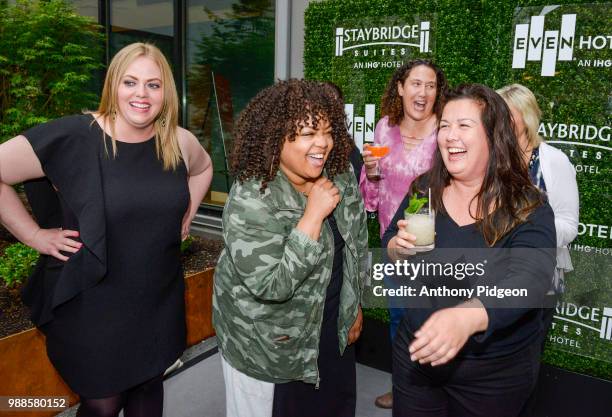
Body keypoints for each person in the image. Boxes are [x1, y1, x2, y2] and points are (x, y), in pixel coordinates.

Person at [0, 42, 213, 417]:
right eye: (130, 82)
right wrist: (34, 235)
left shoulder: (178, 142)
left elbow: (203, 168)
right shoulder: (74, 137)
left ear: (167, 92)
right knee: (103, 402)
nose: (141, 94)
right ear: (113, 84)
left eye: (153, 84)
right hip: (91, 301)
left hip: (156, 297)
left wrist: (187, 213)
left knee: (149, 387)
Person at [383, 84, 556, 417]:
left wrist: (470, 316)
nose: (450, 135)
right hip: (418, 358)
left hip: (493, 375)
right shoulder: (425, 188)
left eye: (464, 125)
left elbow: (530, 277)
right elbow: (392, 237)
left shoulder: (526, 205)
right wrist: (395, 247)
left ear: (493, 136)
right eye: (444, 125)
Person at [212, 79, 368, 417]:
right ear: (275, 137)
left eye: (327, 131)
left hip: (329, 332)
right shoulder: (252, 197)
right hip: (269, 347)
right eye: (309, 133)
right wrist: (312, 216)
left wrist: (355, 305)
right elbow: (271, 285)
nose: (323, 143)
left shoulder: (340, 174)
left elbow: (357, 243)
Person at [359, 59, 447, 409]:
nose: (422, 92)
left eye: (430, 85)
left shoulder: (446, 131)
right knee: (399, 318)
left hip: (436, 246)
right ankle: (403, 387)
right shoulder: (384, 129)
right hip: (394, 242)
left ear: (438, 92)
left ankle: (438, 391)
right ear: (400, 87)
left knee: (435, 318)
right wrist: (371, 172)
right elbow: (372, 197)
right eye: (415, 84)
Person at [497, 83, 578, 295]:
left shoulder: (554, 161)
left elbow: (568, 226)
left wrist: (524, 230)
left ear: (527, 117)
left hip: (538, 272)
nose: (499, 121)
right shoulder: (489, 159)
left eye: (507, 114)